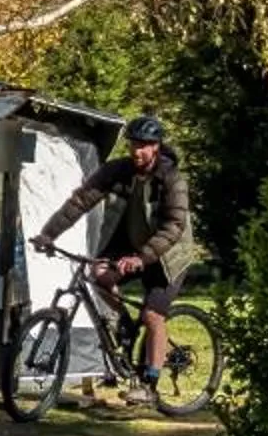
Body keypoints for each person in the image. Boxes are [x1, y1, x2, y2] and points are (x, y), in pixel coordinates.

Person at [29, 113, 193, 405]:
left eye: (144, 145)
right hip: (129, 247)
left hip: (168, 255)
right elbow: (80, 202)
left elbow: (174, 226)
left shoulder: (171, 179)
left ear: (156, 147)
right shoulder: (118, 171)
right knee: (98, 274)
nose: (137, 151)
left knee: (153, 316)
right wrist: (48, 234)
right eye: (133, 145)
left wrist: (142, 258)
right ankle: (124, 322)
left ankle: (150, 385)